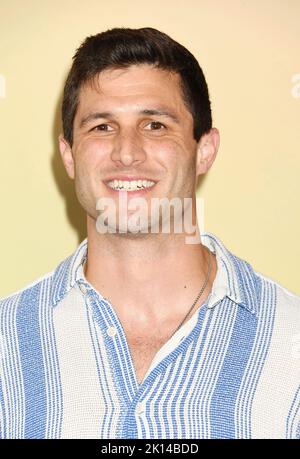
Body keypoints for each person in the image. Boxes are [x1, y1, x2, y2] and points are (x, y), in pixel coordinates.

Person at [0, 27, 299, 440]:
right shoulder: (6, 342)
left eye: (155, 125)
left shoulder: (292, 340)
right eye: (102, 127)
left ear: (205, 150)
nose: (127, 152)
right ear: (69, 155)